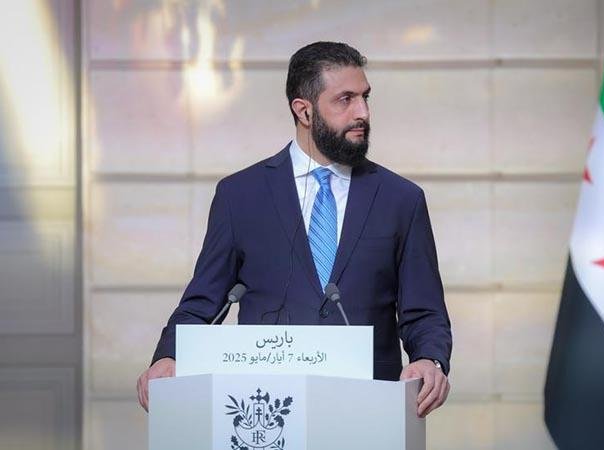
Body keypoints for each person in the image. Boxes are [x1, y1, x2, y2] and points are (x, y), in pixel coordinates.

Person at [136, 41, 452, 418]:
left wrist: (430, 359)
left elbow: (424, 311)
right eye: (345, 99)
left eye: (365, 97)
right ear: (303, 110)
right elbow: (204, 301)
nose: (363, 112)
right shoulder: (240, 195)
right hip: (265, 410)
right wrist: (169, 355)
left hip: (369, 411)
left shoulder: (401, 199)